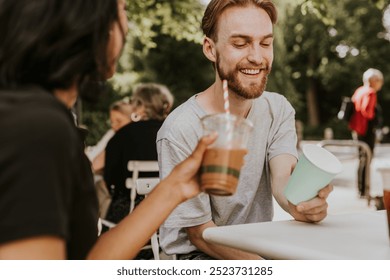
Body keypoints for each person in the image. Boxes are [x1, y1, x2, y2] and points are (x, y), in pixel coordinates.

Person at [0, 0, 217, 260]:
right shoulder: (39, 128)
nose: (127, 25)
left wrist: (174, 188)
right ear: (87, 23)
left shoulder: (33, 117)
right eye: (123, 10)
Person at [157, 0, 333, 260]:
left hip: (259, 246)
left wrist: (301, 205)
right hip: (200, 256)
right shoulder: (181, 129)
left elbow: (282, 183)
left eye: (265, 43)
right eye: (240, 44)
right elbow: (199, 234)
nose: (257, 57)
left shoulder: (278, 109)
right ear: (210, 48)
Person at [104, 83, 174, 224]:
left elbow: (110, 178)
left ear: (141, 105)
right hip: (169, 211)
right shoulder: (175, 131)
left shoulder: (122, 134)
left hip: (130, 214)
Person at [349, 68, 384, 197]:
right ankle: (364, 190)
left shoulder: (359, 91)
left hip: (357, 130)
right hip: (366, 131)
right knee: (367, 159)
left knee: (361, 159)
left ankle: (361, 189)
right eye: (380, 80)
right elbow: (367, 112)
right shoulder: (370, 93)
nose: (381, 83)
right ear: (373, 81)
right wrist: (375, 115)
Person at [88, 99, 133, 173]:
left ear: (131, 119)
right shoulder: (112, 133)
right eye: (112, 122)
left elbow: (95, 165)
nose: (114, 126)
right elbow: (94, 155)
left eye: (119, 121)